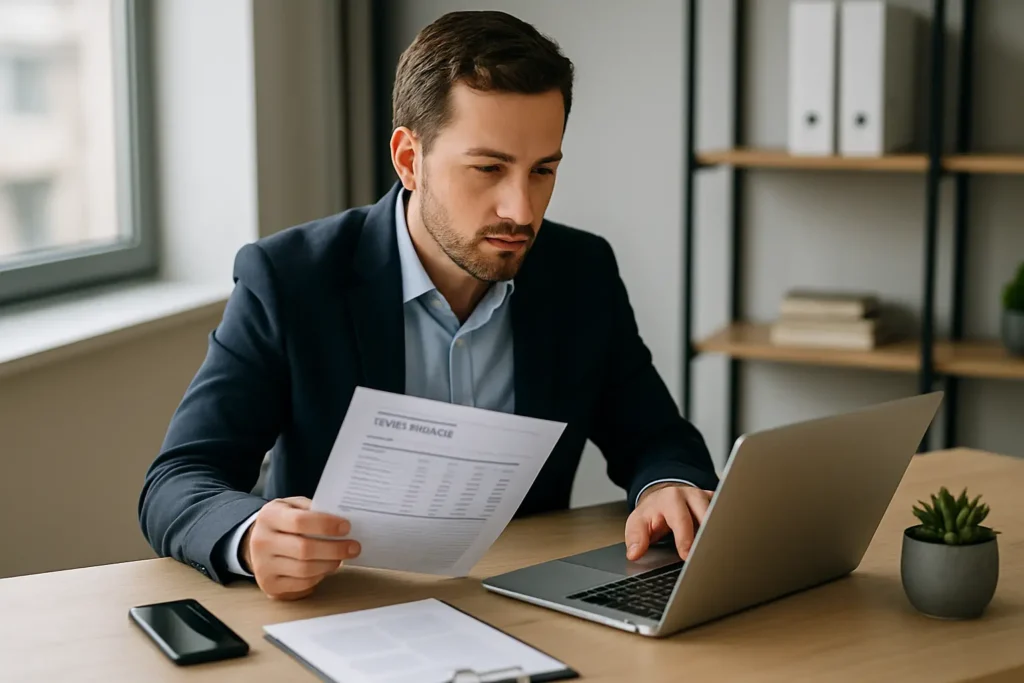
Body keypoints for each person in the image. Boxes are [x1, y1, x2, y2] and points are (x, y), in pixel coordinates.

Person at [138, 10, 718, 601]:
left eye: (542, 170)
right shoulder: (290, 279)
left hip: (521, 600)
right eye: (488, 168)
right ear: (409, 159)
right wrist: (251, 533)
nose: (520, 209)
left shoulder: (581, 272)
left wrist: (665, 486)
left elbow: (656, 438)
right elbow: (178, 482)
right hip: (341, 606)